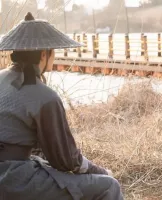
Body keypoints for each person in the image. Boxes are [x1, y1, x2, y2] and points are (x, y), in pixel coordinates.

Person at [0, 12, 124, 200]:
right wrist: (100, 171)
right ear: (44, 54)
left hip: (10, 171)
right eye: (52, 52)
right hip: (13, 179)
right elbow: (66, 159)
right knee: (108, 186)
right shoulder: (44, 96)